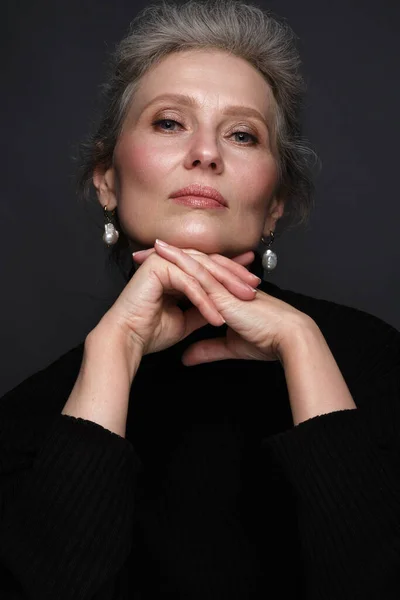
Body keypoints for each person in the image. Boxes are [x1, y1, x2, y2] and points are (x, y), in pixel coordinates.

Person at [0, 0, 399, 598]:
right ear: (106, 180)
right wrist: (114, 351)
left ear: (276, 204)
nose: (206, 153)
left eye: (242, 134)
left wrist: (303, 346)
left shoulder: (377, 363)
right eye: (168, 122)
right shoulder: (26, 420)